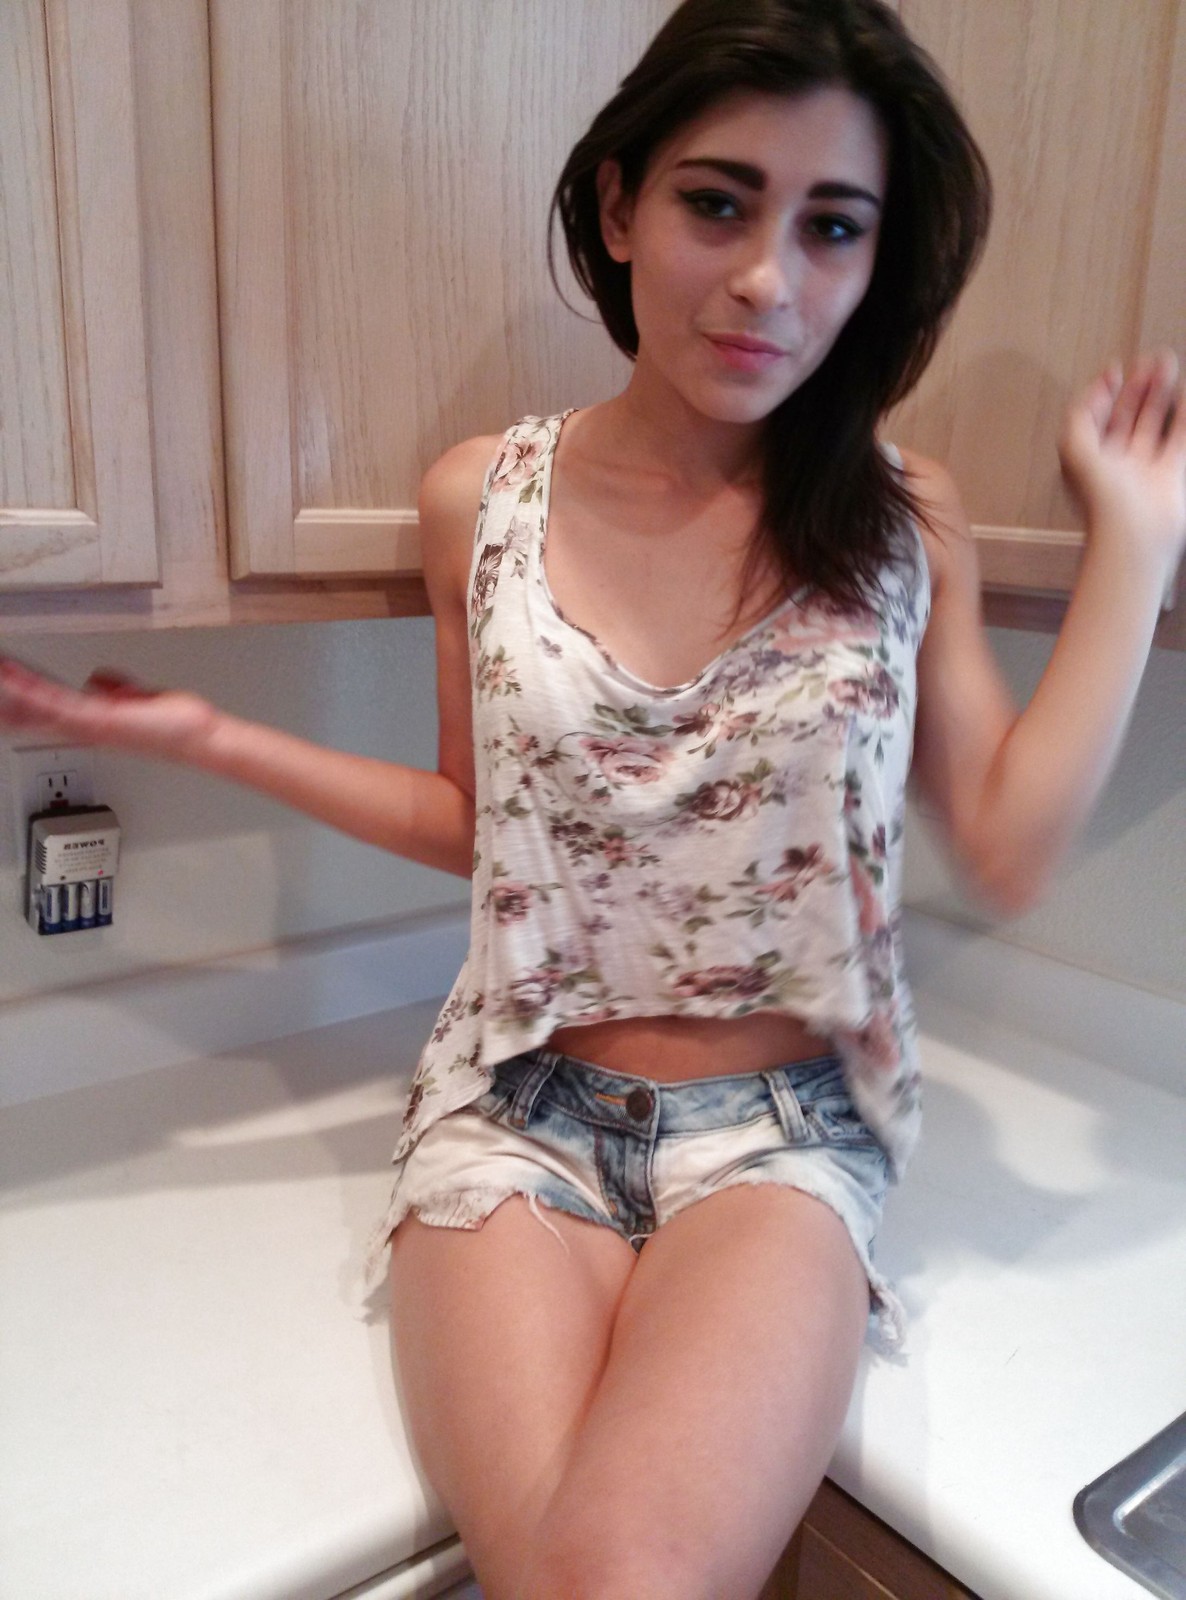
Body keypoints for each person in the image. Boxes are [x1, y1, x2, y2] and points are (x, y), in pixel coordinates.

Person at [1, 1, 1183, 1594]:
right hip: (516, 1112)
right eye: (718, 202)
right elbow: (479, 826)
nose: (766, 279)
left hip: (782, 1141)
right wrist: (210, 737)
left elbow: (1010, 841)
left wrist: (1135, 545)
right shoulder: (479, 498)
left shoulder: (901, 516)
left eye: (831, 227)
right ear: (619, 206)